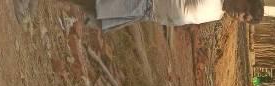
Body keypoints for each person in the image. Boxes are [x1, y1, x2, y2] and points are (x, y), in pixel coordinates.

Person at [68, 0, 264, 30]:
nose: (240, 15)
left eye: (244, 18)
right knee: (96, 4)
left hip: (148, 14)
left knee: (98, 15)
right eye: (245, 10)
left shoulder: (218, 14)